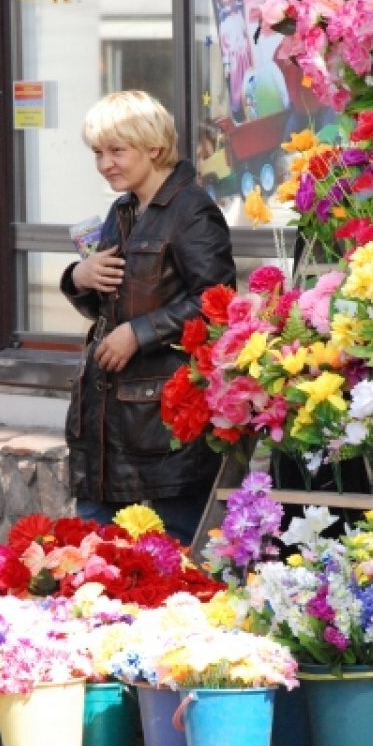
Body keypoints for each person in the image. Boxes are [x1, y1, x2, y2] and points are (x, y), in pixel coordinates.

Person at [61, 90, 236, 545]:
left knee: (167, 563)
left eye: (117, 151)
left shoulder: (191, 210)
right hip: (107, 424)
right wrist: (80, 276)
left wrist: (138, 334)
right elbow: (104, 305)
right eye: (98, 152)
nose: (105, 164)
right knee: (97, 563)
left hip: (163, 430)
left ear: (154, 148)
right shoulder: (122, 210)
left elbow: (217, 302)